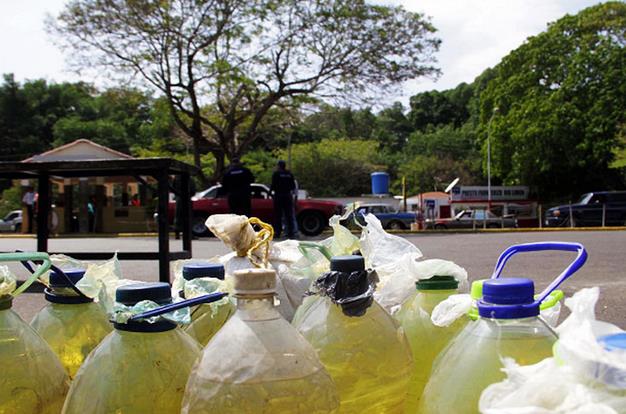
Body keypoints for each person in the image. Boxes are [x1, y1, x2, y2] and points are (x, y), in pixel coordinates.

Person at [270, 160, 296, 239]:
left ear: (279, 166)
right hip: (288, 196)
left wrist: (269, 193)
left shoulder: (276, 174)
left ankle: (277, 233)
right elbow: (293, 186)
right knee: (289, 215)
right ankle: (291, 233)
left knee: (278, 215)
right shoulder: (289, 174)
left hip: (279, 196)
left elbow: (273, 185)